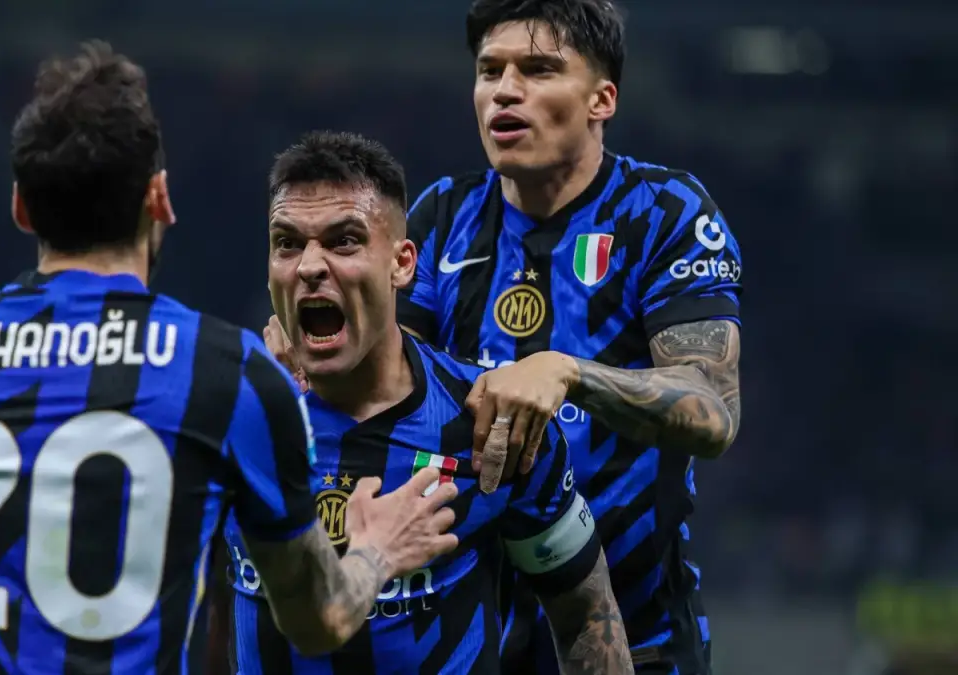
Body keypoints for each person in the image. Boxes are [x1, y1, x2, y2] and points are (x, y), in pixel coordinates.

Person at [0, 42, 460, 675]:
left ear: (21, 207)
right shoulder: (225, 372)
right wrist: (377, 550)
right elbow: (319, 621)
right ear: (159, 199)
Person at [266, 2, 743, 673]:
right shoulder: (443, 216)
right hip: (485, 627)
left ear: (602, 99)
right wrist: (301, 346)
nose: (505, 90)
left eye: (538, 69)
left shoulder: (665, 213)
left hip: (642, 633)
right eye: (490, 71)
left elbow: (712, 411)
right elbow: (390, 390)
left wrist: (567, 373)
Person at [228, 130, 634, 675]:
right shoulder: (231, 417)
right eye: (287, 243)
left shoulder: (487, 421)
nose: (309, 266)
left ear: (402, 264)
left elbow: (586, 617)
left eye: (344, 241)